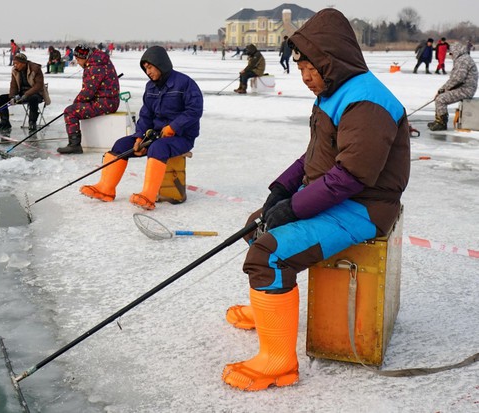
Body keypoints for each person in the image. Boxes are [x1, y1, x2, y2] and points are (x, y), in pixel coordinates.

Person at [221, 8, 410, 392]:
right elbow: (315, 154)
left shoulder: (366, 103)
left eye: (311, 68)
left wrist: (293, 208)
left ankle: (279, 363)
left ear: (331, 61)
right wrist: (282, 190)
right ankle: (268, 311)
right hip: (338, 193)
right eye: (300, 68)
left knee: (268, 252)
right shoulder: (334, 90)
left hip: (364, 207)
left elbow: (351, 177)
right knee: (256, 225)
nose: (305, 77)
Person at [79, 45, 203, 210]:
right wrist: (139, 136)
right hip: (154, 135)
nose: (148, 71)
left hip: (181, 137)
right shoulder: (150, 87)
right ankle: (105, 188)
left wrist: (173, 127)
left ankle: (148, 195)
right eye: (145, 68)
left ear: (161, 64)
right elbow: (146, 115)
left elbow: (194, 111)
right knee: (121, 145)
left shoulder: (185, 84)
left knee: (158, 148)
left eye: (150, 67)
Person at [57, 44, 120, 154]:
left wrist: (75, 104)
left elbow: (87, 92)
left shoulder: (94, 66)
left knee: (70, 111)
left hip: (105, 102)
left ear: (84, 57)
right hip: (109, 101)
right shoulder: (100, 61)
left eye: (78, 59)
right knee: (74, 108)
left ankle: (74, 145)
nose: (77, 62)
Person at [427, 42, 478, 131]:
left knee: (441, 99)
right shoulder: (462, 59)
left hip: (466, 89)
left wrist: (443, 89)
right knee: (441, 97)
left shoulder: (462, 60)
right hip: (464, 87)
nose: (450, 55)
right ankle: (439, 120)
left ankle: (441, 123)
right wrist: (444, 89)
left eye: (451, 53)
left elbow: (457, 79)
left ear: (456, 51)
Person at [0, 53, 45, 132]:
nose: (15, 65)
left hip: (36, 94)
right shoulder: (15, 70)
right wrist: (13, 96)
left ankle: (32, 122)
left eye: (16, 63)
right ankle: (4, 122)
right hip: (21, 94)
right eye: (14, 63)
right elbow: (13, 85)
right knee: (2, 98)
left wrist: (26, 94)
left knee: (33, 98)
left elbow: (39, 85)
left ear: (23, 63)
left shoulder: (35, 69)